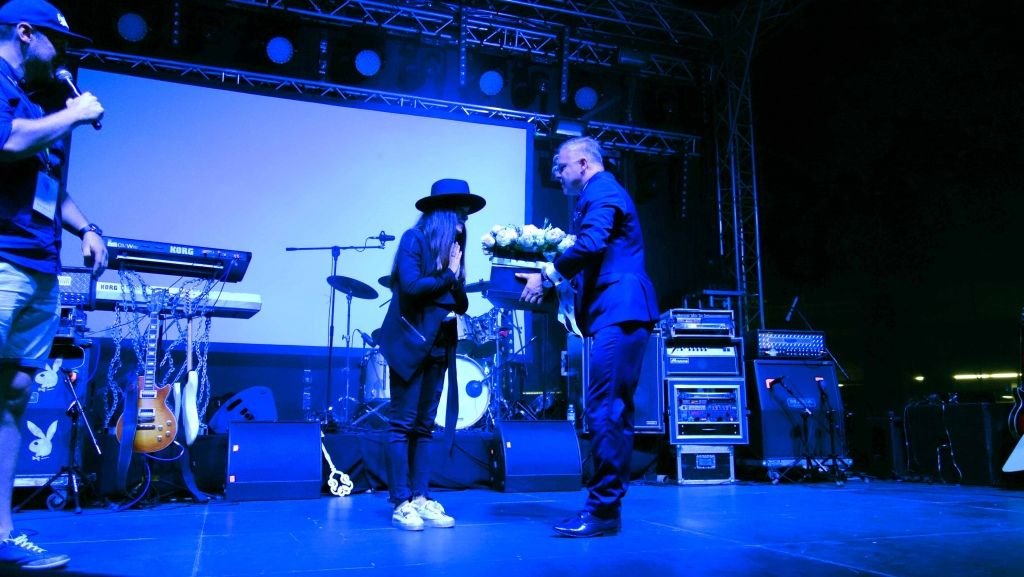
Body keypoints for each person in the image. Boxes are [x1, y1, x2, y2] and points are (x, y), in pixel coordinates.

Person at [0, 0, 106, 570]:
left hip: (40, 263)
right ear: (24, 33)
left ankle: (2, 533)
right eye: (54, 40)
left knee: (16, 391)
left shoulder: (40, 104)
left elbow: (50, 190)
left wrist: (87, 229)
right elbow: (7, 142)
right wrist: (75, 112)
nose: (62, 53)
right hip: (2, 261)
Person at [519, 136, 658, 537]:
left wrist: (547, 276)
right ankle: (605, 508)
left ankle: (603, 512)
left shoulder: (603, 190)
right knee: (609, 408)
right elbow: (597, 254)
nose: (556, 174)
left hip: (621, 309)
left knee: (606, 409)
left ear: (583, 163)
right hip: (615, 312)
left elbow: (592, 243)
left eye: (561, 166)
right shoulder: (598, 193)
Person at [377, 178, 485, 531]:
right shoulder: (415, 240)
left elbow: (461, 302)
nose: (464, 222)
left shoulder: (452, 252)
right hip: (410, 344)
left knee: (424, 426)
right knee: (402, 424)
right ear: (444, 214)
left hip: (439, 344)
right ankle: (401, 502)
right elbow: (410, 287)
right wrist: (449, 275)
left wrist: (453, 276)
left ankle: (421, 498)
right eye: (461, 214)